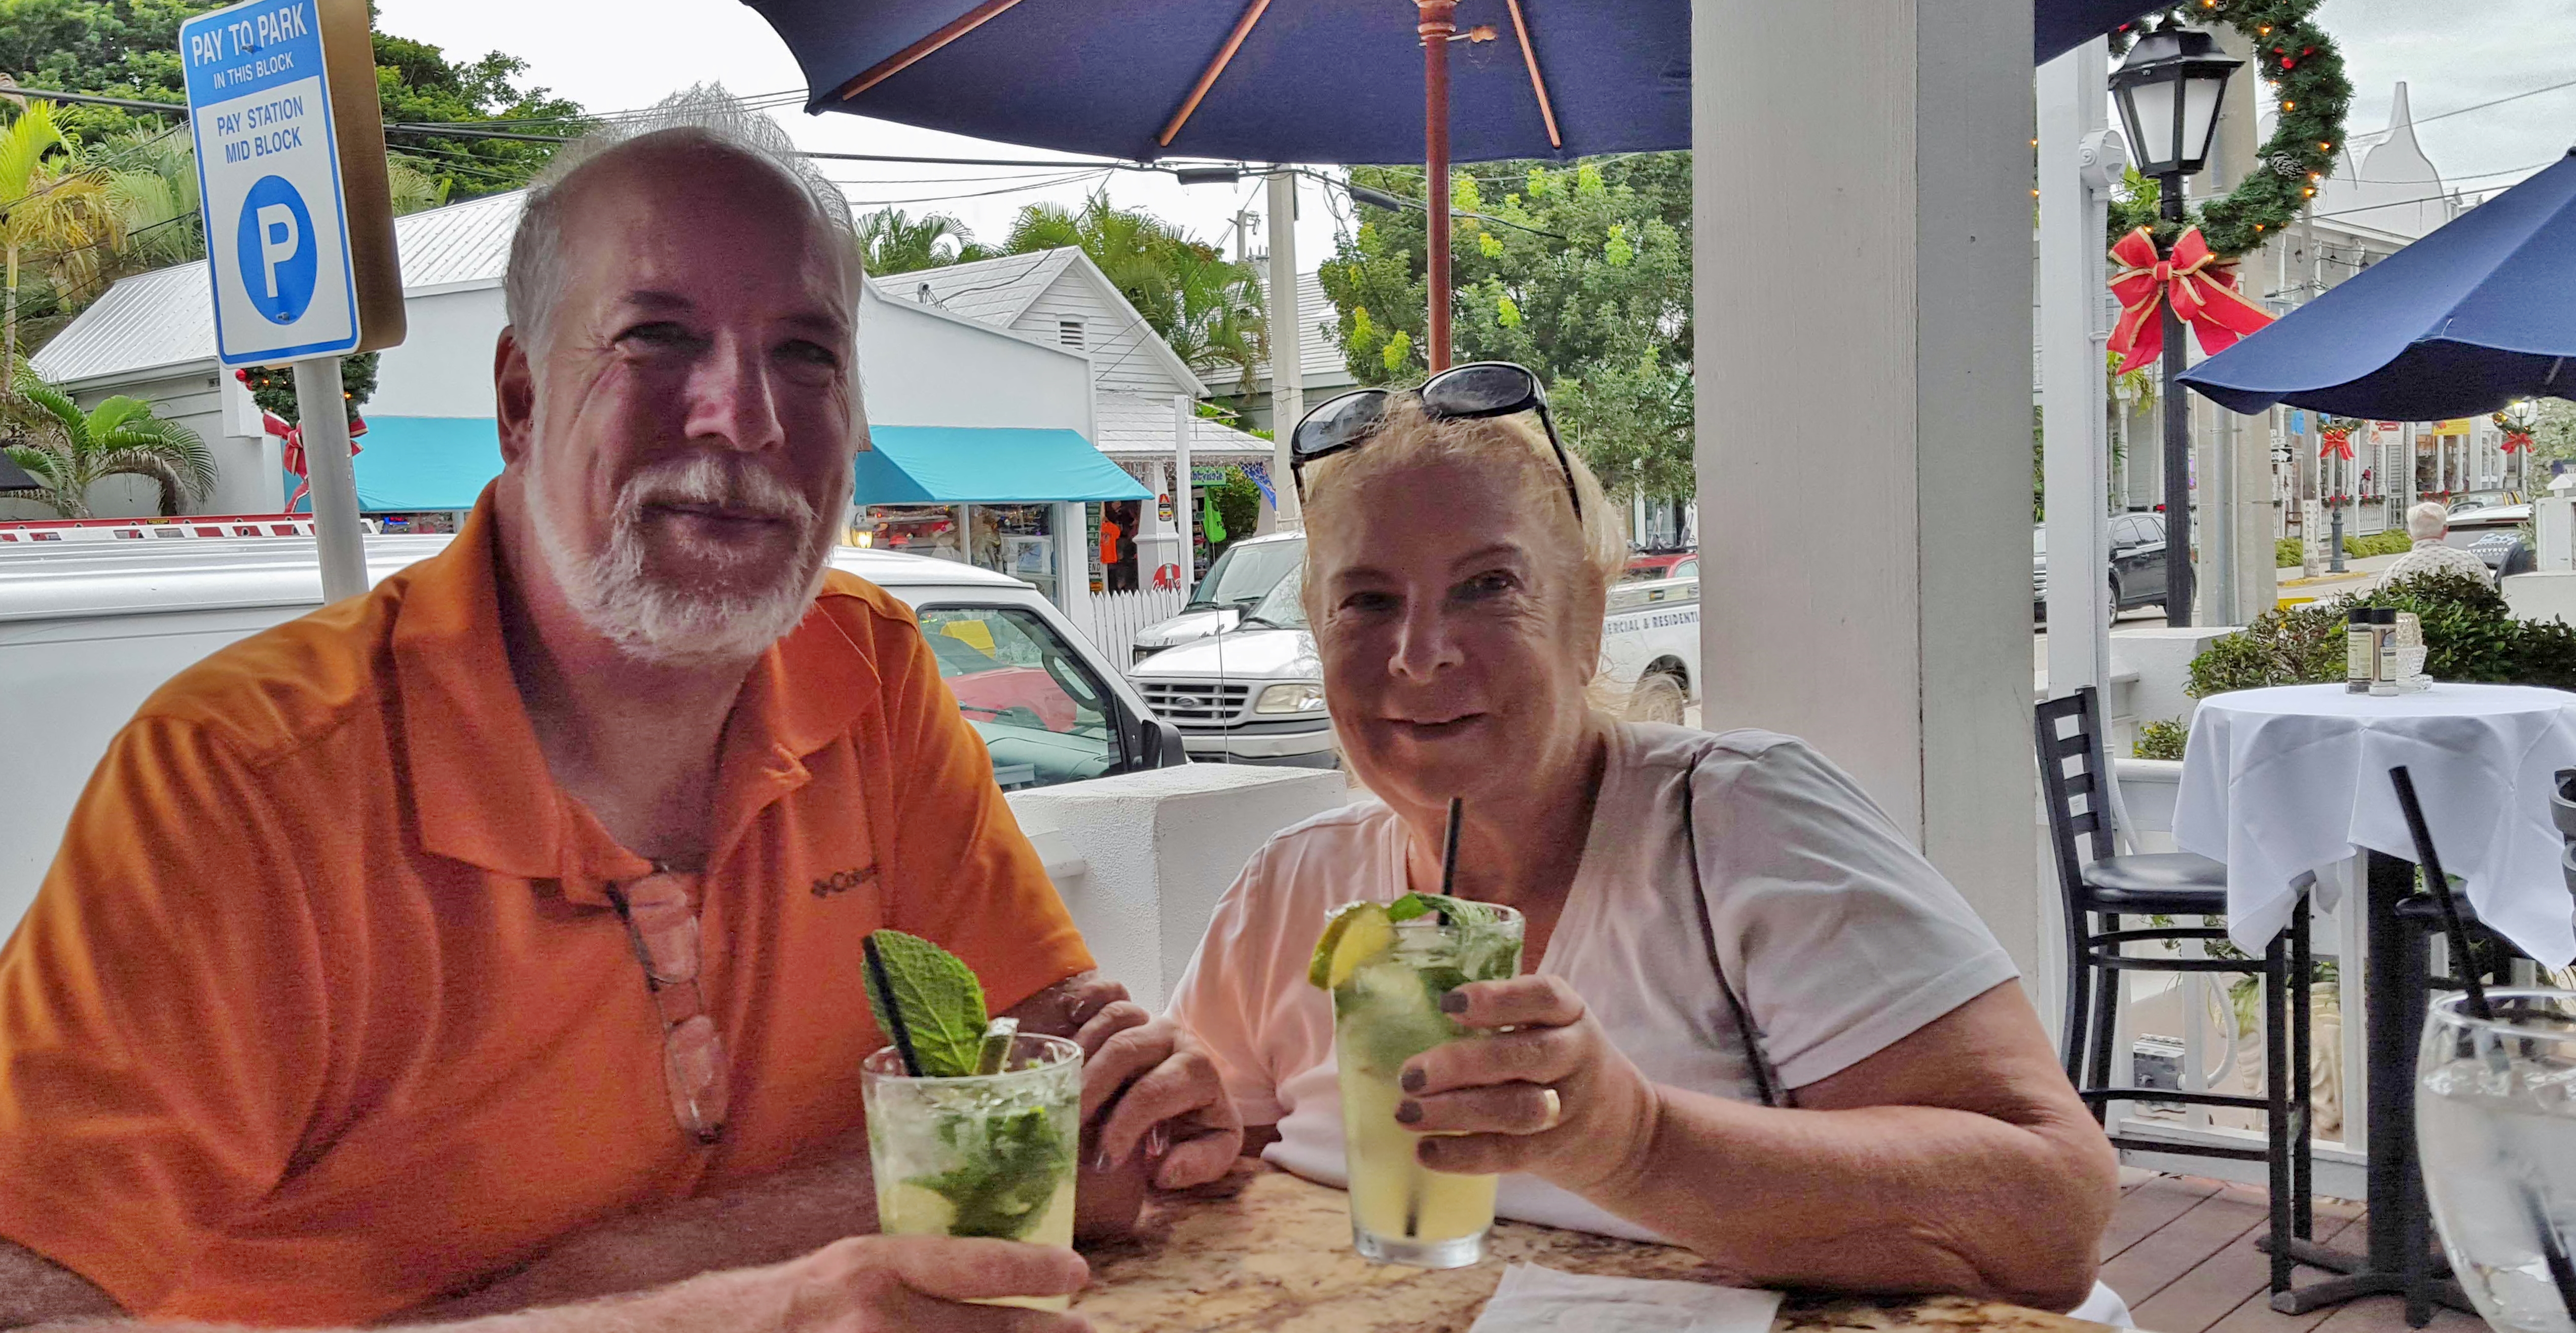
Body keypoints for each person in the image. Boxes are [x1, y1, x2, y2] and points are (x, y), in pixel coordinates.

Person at [0, 89, 1237, 1333]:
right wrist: (744, 1305)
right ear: (521, 399)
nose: (743, 417)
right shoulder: (241, 776)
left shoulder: (867, 666)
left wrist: (1141, 1092)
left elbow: (1037, 1068)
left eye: (807, 352)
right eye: (656, 336)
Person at [1167, 372, 2122, 1315]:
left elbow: (2050, 1218)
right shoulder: (1292, 884)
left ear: (1585, 620)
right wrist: (1133, 1145)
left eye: (1486, 586)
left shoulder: (1739, 820)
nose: (1420, 653)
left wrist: (1632, 1141)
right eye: (1366, 601)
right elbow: (1211, 1176)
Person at [2380, 501, 2497, 587]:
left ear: (2410, 533)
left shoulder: (2395, 572)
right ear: (2445, 530)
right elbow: (2492, 601)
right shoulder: (2471, 563)